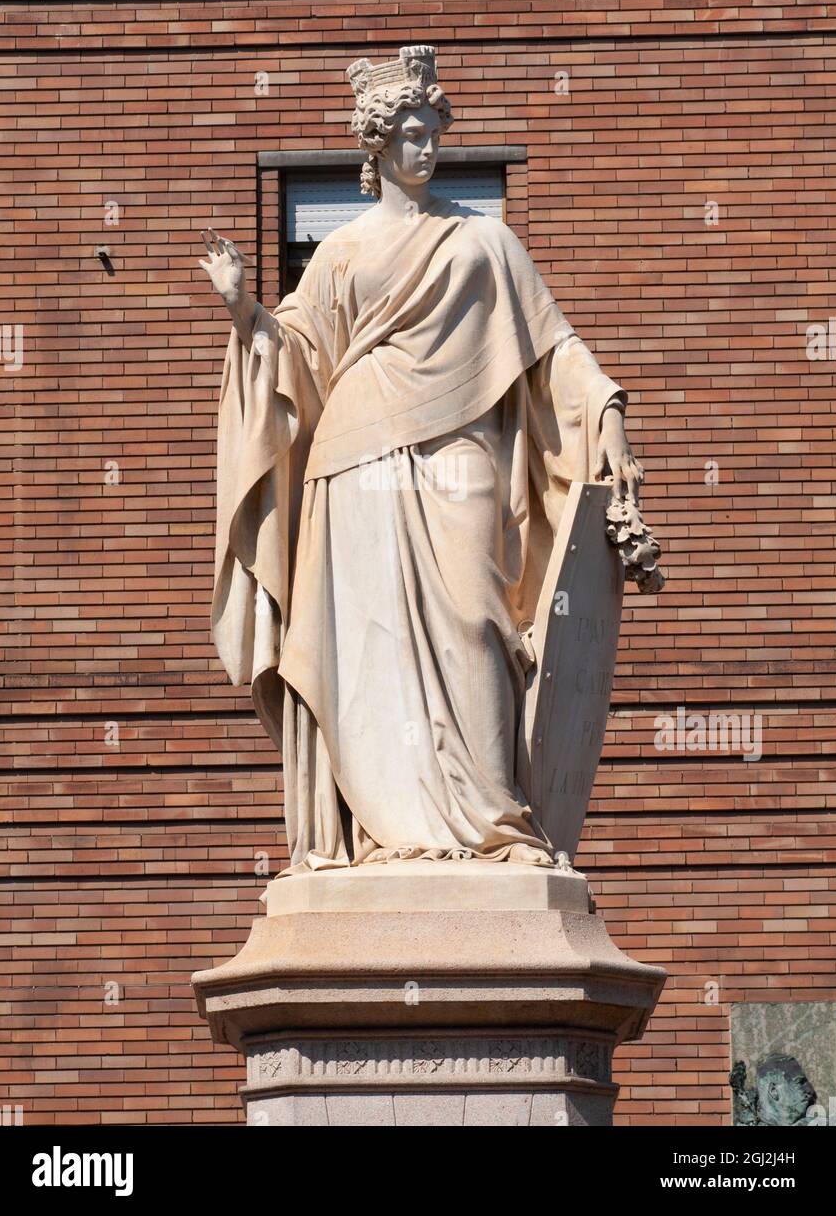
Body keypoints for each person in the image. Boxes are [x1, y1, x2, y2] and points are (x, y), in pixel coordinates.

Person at [200, 44, 642, 874]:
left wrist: (607, 410)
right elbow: (299, 357)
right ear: (376, 144)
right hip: (353, 464)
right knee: (365, 645)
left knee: (478, 619)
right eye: (409, 131)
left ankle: (490, 820)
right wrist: (246, 314)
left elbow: (552, 347)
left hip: (459, 453)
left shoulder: (486, 241)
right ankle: (385, 828)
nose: (426, 145)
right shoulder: (340, 251)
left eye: (433, 129)